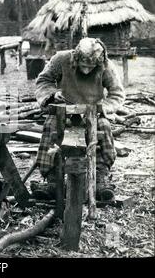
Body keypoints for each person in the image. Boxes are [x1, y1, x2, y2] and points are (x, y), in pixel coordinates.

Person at [32, 37, 125, 201]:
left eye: (91, 67)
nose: (87, 70)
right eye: (83, 66)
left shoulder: (105, 65)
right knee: (50, 127)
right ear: (76, 58)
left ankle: (101, 178)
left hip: (92, 114)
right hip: (63, 112)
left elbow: (117, 93)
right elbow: (43, 80)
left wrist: (103, 108)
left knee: (104, 128)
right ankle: (52, 181)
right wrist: (52, 94)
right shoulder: (61, 59)